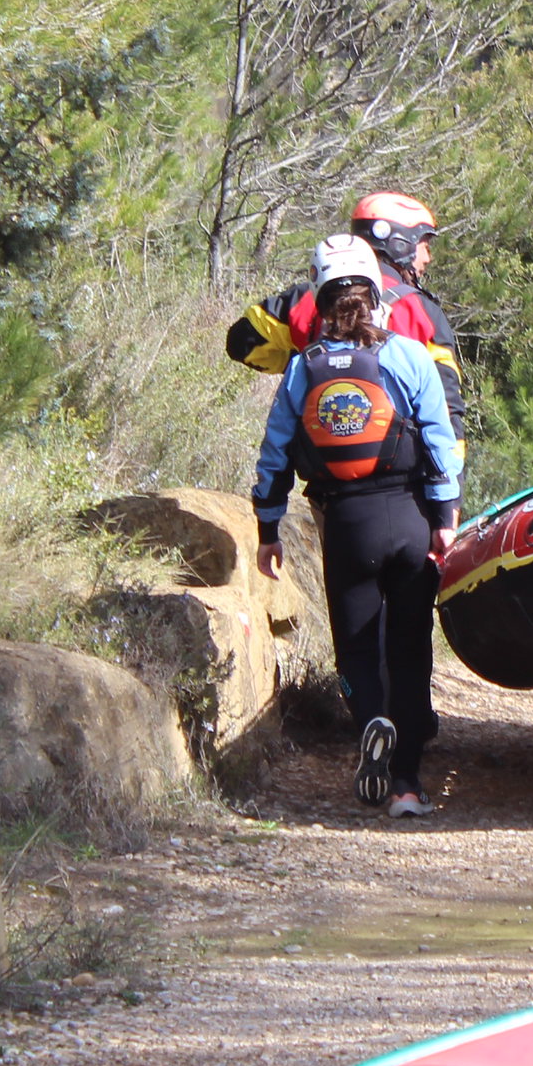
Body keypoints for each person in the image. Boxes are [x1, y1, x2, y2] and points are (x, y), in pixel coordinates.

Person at [252, 235, 466, 818]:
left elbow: (274, 455)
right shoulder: (409, 356)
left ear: (321, 298)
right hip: (410, 518)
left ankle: (370, 717)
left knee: (358, 650)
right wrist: (445, 518)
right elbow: (441, 445)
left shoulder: (303, 368)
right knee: (409, 648)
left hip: (347, 523)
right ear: (375, 294)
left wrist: (268, 528)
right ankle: (406, 785)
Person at [229, 191, 468, 432]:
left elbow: (242, 342)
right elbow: (447, 404)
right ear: (399, 244)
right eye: (424, 245)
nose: (428, 257)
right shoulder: (421, 310)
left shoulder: (307, 298)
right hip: (402, 463)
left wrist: (306, 362)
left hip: (322, 462)